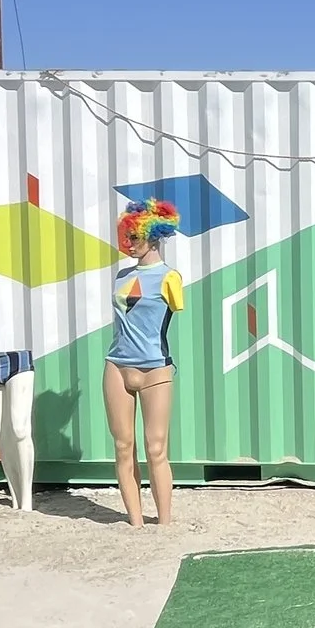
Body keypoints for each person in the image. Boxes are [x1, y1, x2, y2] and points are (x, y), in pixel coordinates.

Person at [103, 198, 184, 527]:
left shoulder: (170, 278)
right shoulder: (121, 276)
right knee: (123, 446)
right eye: (127, 236)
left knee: (156, 448)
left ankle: (164, 523)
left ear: (155, 234)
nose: (130, 243)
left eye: (136, 236)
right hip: (116, 366)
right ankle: (135, 522)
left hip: (155, 368)